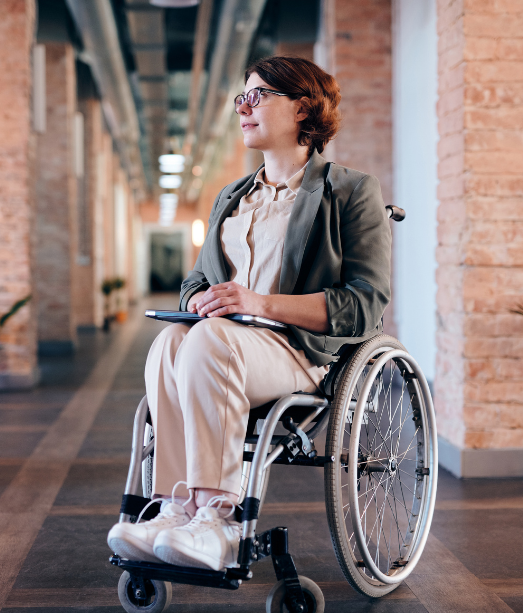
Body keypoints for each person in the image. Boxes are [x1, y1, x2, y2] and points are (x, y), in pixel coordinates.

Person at [107, 55, 392, 571]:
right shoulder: (232, 197)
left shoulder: (349, 191)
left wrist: (260, 304)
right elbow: (196, 279)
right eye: (241, 97)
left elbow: (365, 304)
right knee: (171, 341)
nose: (243, 107)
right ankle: (177, 508)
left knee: (208, 341)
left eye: (257, 95)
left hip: (295, 352)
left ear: (303, 107)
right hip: (220, 345)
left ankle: (218, 519)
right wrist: (197, 299)